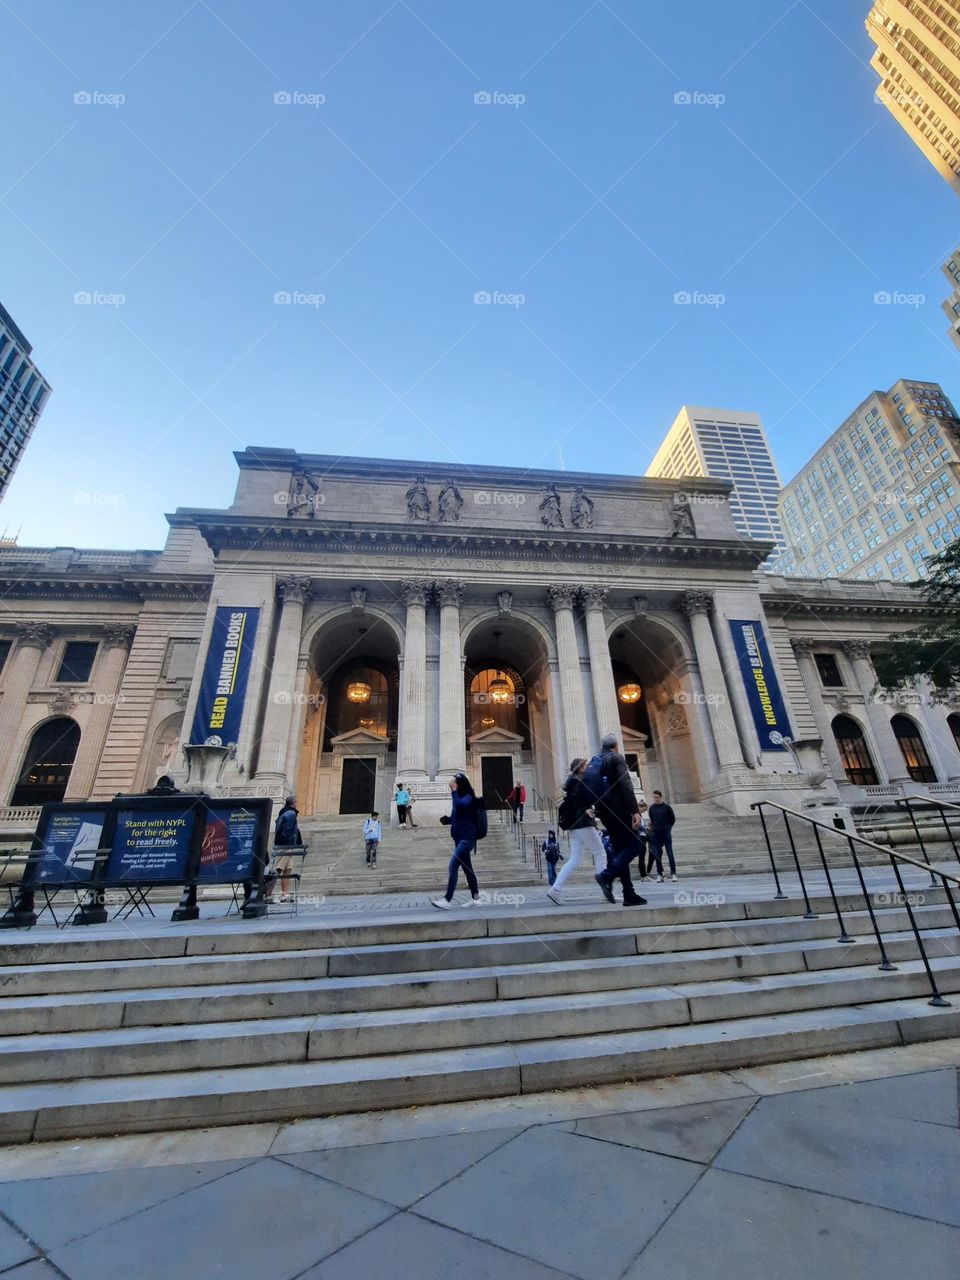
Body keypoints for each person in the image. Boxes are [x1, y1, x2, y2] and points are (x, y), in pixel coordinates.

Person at [591, 733, 647, 907]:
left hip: (604, 812)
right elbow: (625, 784)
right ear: (615, 746)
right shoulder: (616, 758)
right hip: (620, 811)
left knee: (620, 850)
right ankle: (606, 876)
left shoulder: (596, 760)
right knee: (636, 844)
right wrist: (635, 811)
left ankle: (628, 893)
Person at [547, 759, 610, 906]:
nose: (588, 767)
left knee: (574, 859)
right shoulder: (580, 783)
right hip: (583, 823)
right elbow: (589, 800)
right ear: (580, 768)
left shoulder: (571, 784)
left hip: (574, 826)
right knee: (600, 853)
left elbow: (578, 803)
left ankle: (555, 889)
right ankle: (606, 889)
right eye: (585, 765)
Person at [432, 773, 482, 909]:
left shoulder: (468, 797)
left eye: (453, 782)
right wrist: (448, 820)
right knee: (467, 869)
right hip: (459, 838)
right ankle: (475, 898)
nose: (451, 783)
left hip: (466, 839)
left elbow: (460, 806)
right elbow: (458, 815)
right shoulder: (460, 798)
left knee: (453, 865)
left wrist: (453, 792)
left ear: (460, 784)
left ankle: (447, 900)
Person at [272, 795, 303, 902]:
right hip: (286, 845)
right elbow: (288, 830)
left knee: (287, 869)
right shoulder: (291, 813)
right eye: (296, 802)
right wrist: (291, 843)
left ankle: (285, 894)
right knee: (279, 869)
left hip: (288, 844)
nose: (297, 803)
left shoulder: (285, 812)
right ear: (294, 802)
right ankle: (266, 893)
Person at [647, 790, 678, 882]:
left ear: (660, 797)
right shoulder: (652, 808)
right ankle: (660, 874)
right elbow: (652, 820)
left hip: (666, 832)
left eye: (657, 797)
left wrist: (668, 827)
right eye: (654, 797)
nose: (656, 799)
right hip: (656, 833)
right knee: (657, 855)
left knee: (670, 853)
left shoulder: (667, 807)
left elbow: (672, 819)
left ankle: (673, 874)